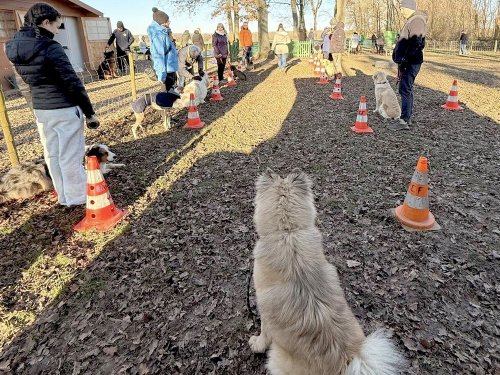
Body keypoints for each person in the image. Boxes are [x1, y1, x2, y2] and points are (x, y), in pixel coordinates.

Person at [6, 3, 99, 206]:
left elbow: (24, 83)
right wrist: (89, 112)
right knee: (70, 156)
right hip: (63, 107)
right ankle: (77, 197)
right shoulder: (50, 47)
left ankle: (63, 195)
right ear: (46, 22)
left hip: (42, 109)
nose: (57, 31)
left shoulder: (12, 46)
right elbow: (71, 81)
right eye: (57, 26)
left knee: (52, 154)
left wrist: (35, 106)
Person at [391, 0, 427, 130]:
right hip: (408, 61)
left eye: (402, 8)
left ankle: (405, 120)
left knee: (405, 89)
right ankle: (405, 118)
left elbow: (415, 43)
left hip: (411, 62)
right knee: (404, 88)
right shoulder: (412, 20)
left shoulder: (416, 20)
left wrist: (405, 59)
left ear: (409, 7)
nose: (400, 11)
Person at [147, 7, 179, 93]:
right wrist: (162, 77)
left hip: (170, 68)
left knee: (173, 94)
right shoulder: (158, 36)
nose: (169, 22)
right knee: (169, 96)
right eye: (168, 21)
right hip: (166, 71)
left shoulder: (164, 33)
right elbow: (158, 57)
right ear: (162, 23)